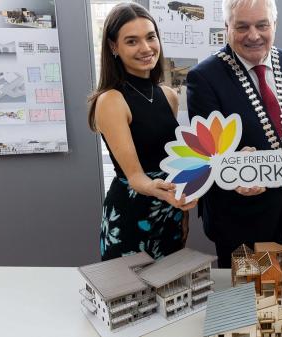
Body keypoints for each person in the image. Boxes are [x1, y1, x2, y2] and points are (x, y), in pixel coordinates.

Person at [186, 0, 282, 267]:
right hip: (235, 214)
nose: (253, 35)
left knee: (271, 287)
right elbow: (208, 150)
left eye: (262, 25)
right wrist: (232, 165)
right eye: (242, 26)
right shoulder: (204, 77)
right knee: (242, 296)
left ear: (275, 24)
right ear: (227, 27)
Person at [87, 3, 196, 261]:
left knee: (170, 294)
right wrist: (164, 192)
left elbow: (175, 162)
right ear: (114, 47)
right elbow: (135, 176)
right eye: (132, 41)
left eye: (150, 37)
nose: (146, 48)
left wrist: (183, 211)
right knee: (131, 296)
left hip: (169, 211)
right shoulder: (111, 100)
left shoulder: (168, 95)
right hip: (131, 214)